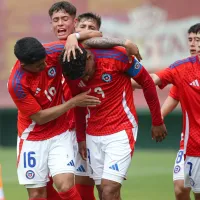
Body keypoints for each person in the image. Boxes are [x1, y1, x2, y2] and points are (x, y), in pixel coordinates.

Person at [47, 2, 141, 200]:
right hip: (62, 128)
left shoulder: (84, 48)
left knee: (92, 186)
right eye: (56, 20)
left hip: (83, 128)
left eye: (65, 20)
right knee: (53, 184)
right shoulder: (54, 50)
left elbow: (96, 37)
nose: (61, 24)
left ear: (74, 22)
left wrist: (124, 43)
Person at [60, 46, 167, 200]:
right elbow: (80, 105)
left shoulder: (117, 56)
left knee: (109, 189)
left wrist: (157, 120)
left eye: (85, 74)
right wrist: (81, 138)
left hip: (121, 129)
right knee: (103, 192)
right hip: (92, 134)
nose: (84, 79)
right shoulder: (72, 70)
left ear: (89, 58)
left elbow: (147, 82)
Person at [8, 37, 102, 200]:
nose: (45, 66)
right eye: (39, 66)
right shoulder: (16, 84)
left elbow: (92, 34)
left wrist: (74, 37)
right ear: (24, 65)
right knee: (37, 194)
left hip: (60, 133)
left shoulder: (54, 50)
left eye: (44, 61)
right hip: (32, 138)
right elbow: (39, 117)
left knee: (65, 186)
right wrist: (73, 102)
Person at [150, 24, 200, 200]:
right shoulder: (184, 69)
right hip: (190, 141)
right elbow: (174, 95)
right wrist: (159, 118)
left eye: (198, 40)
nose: (193, 44)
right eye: (190, 40)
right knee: (180, 188)